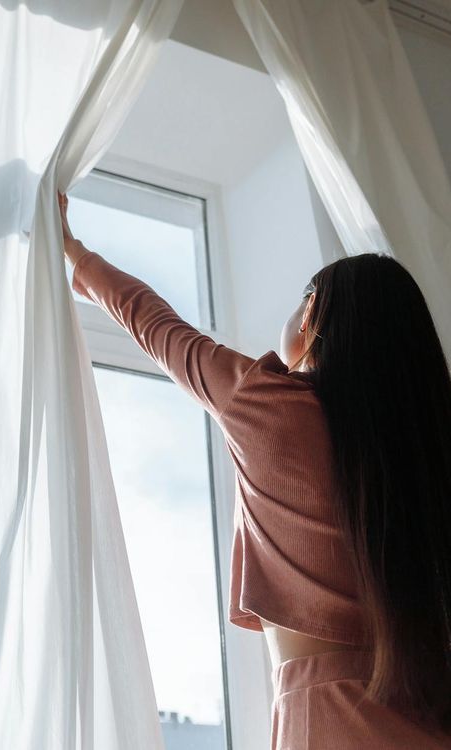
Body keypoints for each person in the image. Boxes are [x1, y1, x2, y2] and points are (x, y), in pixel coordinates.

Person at [58, 192, 451, 749]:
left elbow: (160, 328)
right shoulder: (425, 451)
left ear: (312, 312)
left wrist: (76, 255)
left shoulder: (269, 404)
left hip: (328, 719)